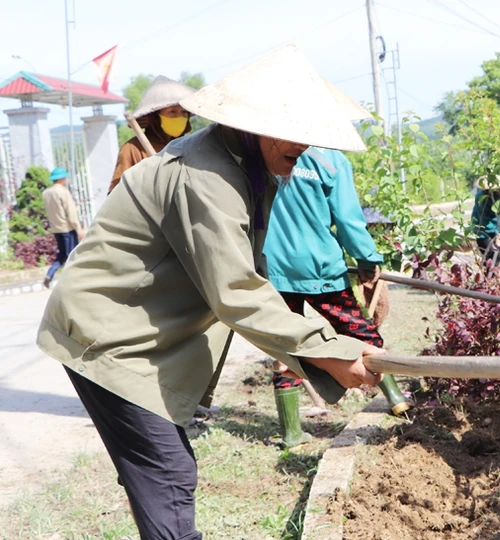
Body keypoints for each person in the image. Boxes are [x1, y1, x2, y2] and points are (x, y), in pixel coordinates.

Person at [36, 45, 384, 539]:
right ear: (255, 122)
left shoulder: (252, 169)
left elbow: (250, 273)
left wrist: (321, 343)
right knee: (169, 473)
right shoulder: (208, 174)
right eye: (295, 132)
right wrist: (331, 352)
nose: (304, 145)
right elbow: (236, 290)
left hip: (139, 333)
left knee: (162, 472)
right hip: (108, 335)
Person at [263, 147, 411, 447]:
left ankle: (291, 432)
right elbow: (347, 218)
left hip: (272, 266)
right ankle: (397, 400)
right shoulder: (328, 158)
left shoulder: (265, 152)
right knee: (359, 329)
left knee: (284, 346)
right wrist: (367, 258)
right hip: (320, 266)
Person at [108, 75, 195, 193]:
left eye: (184, 112)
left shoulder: (190, 146)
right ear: (154, 117)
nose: (179, 117)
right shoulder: (133, 149)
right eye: (172, 112)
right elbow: (116, 194)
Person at [41, 167, 85, 288]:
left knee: (62, 254)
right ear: (61, 178)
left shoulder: (46, 193)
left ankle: (50, 274)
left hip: (56, 228)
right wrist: (78, 228)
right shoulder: (63, 192)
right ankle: (74, 281)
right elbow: (71, 213)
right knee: (73, 255)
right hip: (67, 228)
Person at [471, 171, 500, 270]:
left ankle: (489, 280)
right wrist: (497, 234)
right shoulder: (482, 198)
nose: (499, 190)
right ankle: (488, 280)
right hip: (482, 230)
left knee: (494, 258)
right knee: (493, 257)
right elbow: (485, 221)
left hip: (495, 226)